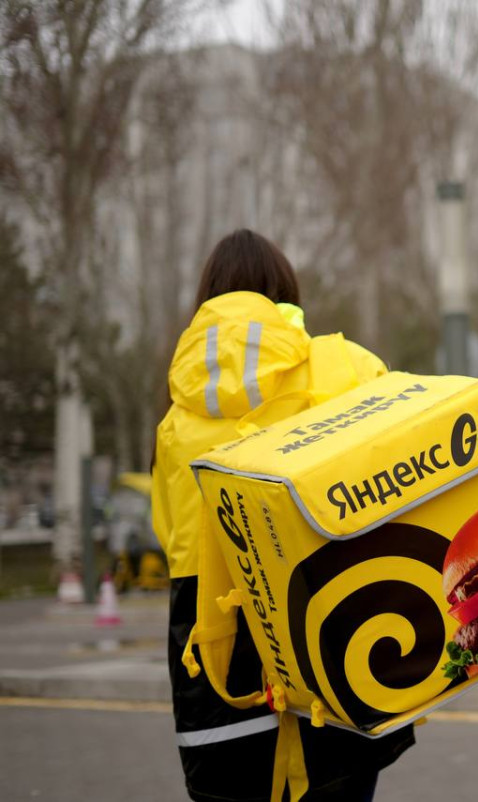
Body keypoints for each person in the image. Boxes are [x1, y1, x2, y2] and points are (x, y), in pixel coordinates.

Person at [151, 230, 412, 802]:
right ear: (285, 292)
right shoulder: (346, 368)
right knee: (340, 777)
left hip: (216, 648)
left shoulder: (175, 421)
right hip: (334, 625)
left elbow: (170, 536)